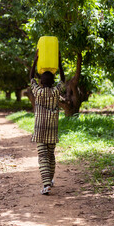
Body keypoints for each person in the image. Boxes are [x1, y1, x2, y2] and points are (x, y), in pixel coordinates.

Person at [29, 49, 65, 195]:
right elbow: (63, 80)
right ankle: (49, 180)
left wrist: (35, 60)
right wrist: (59, 62)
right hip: (52, 131)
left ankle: (46, 184)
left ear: (41, 82)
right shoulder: (56, 92)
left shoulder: (37, 92)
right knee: (51, 156)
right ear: (52, 82)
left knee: (42, 157)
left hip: (40, 131)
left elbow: (31, 77)